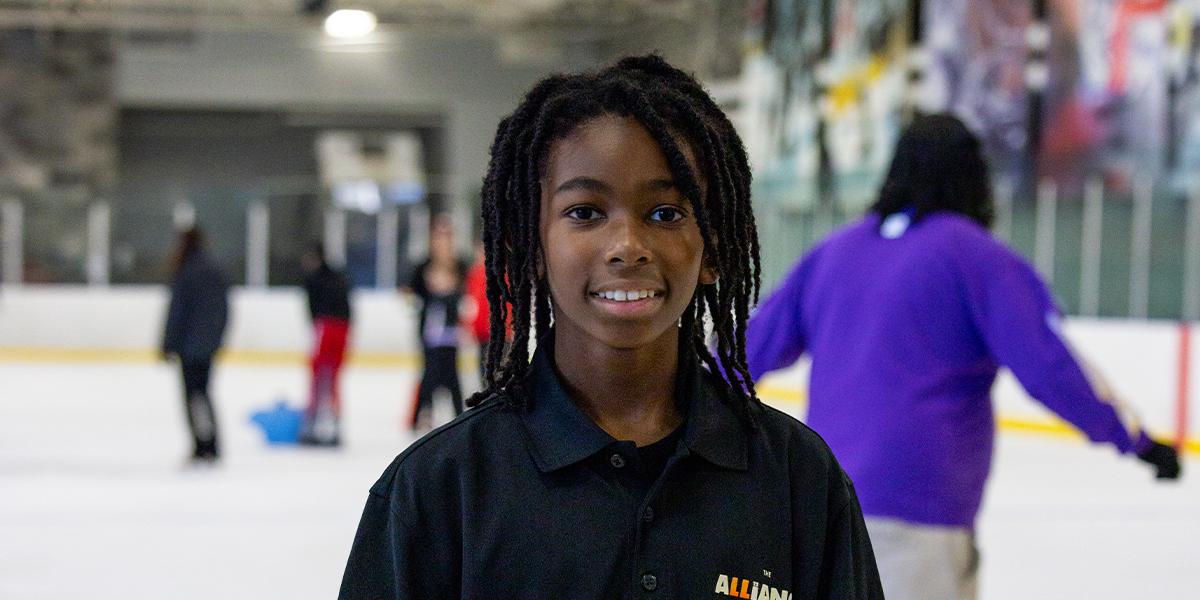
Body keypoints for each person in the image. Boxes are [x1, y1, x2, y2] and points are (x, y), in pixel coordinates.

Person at [339, 55, 883, 599]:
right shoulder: (437, 490)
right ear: (530, 247)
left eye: (666, 213)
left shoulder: (799, 482)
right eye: (585, 212)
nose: (627, 246)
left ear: (713, 248)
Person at [743, 114, 1182, 600]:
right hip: (917, 515)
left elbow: (744, 353)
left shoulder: (832, 254)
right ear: (974, 178)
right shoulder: (977, 258)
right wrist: (1136, 441)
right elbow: (1050, 369)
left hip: (818, 511)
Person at [161, 226, 229, 465]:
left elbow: (178, 311)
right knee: (203, 394)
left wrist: (168, 343)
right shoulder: (213, 268)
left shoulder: (188, 270)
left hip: (191, 347)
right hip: (206, 345)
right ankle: (209, 442)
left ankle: (203, 444)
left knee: (194, 395)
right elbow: (223, 310)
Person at [406, 215, 468, 431]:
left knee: (451, 374)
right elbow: (411, 292)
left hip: (451, 331)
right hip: (430, 329)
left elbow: (468, 294)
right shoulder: (424, 265)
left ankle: (458, 416)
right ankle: (422, 415)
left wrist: (451, 293)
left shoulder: (460, 264)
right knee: (429, 373)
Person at [299, 242, 351, 447]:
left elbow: (313, 309)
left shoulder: (313, 279)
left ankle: (313, 425)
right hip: (343, 328)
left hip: (327, 327)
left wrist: (316, 326)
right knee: (332, 379)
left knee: (319, 377)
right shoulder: (338, 276)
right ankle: (334, 426)